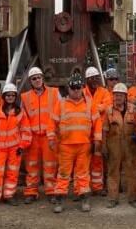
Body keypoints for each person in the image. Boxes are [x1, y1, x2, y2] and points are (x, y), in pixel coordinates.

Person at [49, 74, 102, 213]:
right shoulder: (61, 104)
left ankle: (84, 198)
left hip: (84, 145)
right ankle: (59, 199)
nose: (76, 90)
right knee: (64, 174)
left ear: (82, 88)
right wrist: (50, 138)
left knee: (83, 174)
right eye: (73, 87)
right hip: (66, 146)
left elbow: (97, 124)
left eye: (79, 87)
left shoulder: (89, 104)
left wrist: (97, 140)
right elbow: (51, 123)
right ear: (69, 89)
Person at [0, 83, 30, 208]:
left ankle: (9, 195)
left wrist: (22, 146)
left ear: (15, 97)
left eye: (12, 95)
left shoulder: (19, 112)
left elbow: (26, 131)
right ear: (4, 96)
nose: (10, 97)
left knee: (12, 172)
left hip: (15, 148)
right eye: (8, 95)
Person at [20, 66, 61, 202]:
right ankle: (31, 192)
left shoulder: (54, 93)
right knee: (31, 165)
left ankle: (51, 191)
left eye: (38, 77)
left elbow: (62, 111)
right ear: (30, 81)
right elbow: (22, 117)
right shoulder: (25, 97)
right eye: (33, 78)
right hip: (32, 136)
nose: (37, 80)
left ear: (43, 78)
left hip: (49, 136)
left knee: (50, 165)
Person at [103, 82, 136, 208]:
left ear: (125, 96)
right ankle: (113, 198)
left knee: (132, 171)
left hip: (130, 145)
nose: (118, 98)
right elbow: (104, 129)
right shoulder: (109, 111)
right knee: (113, 171)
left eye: (120, 95)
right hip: (114, 145)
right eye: (116, 95)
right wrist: (103, 146)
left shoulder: (133, 109)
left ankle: (133, 198)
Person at [85, 66, 111, 196]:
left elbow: (106, 107)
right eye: (92, 78)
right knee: (84, 162)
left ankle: (97, 186)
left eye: (96, 77)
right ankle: (84, 188)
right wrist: (97, 108)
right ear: (87, 79)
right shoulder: (83, 92)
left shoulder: (104, 92)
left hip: (99, 131)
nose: (95, 80)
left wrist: (91, 108)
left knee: (98, 160)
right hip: (85, 132)